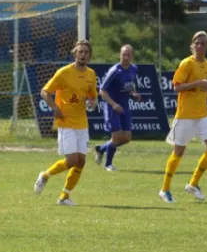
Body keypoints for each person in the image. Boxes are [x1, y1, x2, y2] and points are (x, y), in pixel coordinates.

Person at [33, 40, 98, 205]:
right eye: (80, 51)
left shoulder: (91, 74)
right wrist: (55, 108)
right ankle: (45, 175)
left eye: (86, 52)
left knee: (81, 161)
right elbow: (45, 92)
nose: (83, 55)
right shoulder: (63, 73)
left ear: (90, 55)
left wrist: (92, 102)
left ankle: (64, 197)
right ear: (74, 53)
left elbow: (92, 96)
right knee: (71, 161)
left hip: (82, 123)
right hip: (66, 122)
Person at [159, 31, 207, 203]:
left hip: (203, 115)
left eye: (203, 43)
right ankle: (165, 189)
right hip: (185, 115)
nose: (200, 46)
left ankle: (193, 184)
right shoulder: (186, 63)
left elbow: (206, 88)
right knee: (179, 151)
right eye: (197, 43)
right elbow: (176, 87)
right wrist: (196, 83)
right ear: (192, 46)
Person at [94, 44, 141, 171]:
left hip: (124, 107)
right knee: (116, 137)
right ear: (120, 55)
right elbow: (102, 91)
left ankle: (101, 149)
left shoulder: (133, 69)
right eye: (123, 55)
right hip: (112, 107)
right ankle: (108, 165)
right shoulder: (114, 71)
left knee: (126, 138)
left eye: (128, 55)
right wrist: (113, 104)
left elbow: (130, 86)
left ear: (132, 56)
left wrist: (134, 94)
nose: (125, 57)